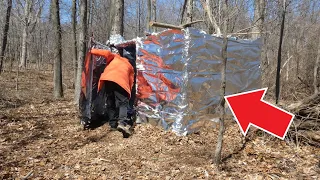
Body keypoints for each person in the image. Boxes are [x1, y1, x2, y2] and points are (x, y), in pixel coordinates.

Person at [90, 48, 135, 138]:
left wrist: (92, 50)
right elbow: (131, 81)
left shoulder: (114, 57)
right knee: (123, 103)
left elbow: (106, 52)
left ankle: (113, 124)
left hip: (108, 79)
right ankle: (122, 123)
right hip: (121, 82)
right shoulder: (130, 66)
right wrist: (128, 93)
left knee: (110, 102)